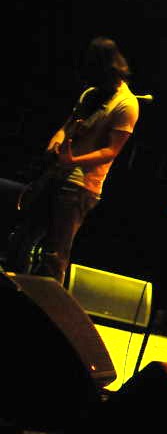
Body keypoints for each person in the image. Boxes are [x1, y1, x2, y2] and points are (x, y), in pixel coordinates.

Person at [7, 36, 140, 285]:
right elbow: (67, 126)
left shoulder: (126, 104)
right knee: (22, 237)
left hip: (80, 186)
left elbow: (111, 151)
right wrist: (55, 142)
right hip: (56, 174)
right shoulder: (91, 94)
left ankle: (46, 304)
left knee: (54, 254)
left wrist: (74, 160)